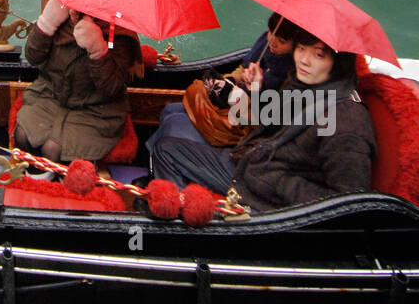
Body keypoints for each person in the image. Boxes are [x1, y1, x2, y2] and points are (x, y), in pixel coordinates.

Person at [150, 31, 376, 213]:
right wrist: (256, 90)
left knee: (170, 140)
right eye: (300, 48)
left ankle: (182, 223)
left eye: (318, 55)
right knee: (166, 149)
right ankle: (175, 204)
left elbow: (347, 205)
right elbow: (267, 123)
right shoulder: (301, 86)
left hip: (264, 196)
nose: (303, 60)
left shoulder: (347, 126)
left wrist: (274, 180)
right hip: (249, 161)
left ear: (339, 63)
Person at [149, 14, 301, 164]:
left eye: (282, 41)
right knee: (170, 110)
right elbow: (243, 69)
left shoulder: (292, 80)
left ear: (296, 45)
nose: (272, 42)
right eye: (270, 33)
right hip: (236, 109)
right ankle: (152, 163)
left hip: (246, 131)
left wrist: (251, 91)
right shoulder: (267, 44)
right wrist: (230, 80)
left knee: (174, 122)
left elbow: (261, 123)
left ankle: (162, 164)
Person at [14, 0, 143, 166]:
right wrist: (46, 23)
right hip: (50, 96)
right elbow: (33, 57)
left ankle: (60, 183)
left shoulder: (120, 33)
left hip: (97, 110)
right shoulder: (59, 14)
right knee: (23, 136)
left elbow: (112, 89)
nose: (75, 11)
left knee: (52, 149)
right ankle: (40, 179)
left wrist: (98, 51)